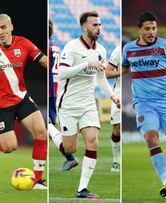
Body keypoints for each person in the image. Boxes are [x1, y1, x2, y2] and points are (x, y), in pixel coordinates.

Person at [122, 11, 166, 199]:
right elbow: (124, 67)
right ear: (139, 30)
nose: (151, 32)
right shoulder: (129, 49)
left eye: (154, 28)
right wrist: (108, 73)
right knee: (151, 138)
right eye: (147, 29)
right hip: (144, 103)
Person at [0, 14, 47, 189]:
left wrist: (59, 67)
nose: (0, 31)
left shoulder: (23, 43)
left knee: (41, 132)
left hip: (21, 99)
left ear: (11, 27)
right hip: (0, 106)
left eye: (3, 27)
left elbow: (45, 61)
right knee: (9, 147)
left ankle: (37, 180)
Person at [56, 11, 120, 198]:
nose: (98, 28)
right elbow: (62, 73)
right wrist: (86, 65)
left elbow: (100, 77)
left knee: (92, 141)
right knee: (70, 149)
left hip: (88, 105)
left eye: (100, 25)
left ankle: (82, 189)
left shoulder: (100, 50)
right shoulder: (72, 47)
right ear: (85, 27)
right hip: (68, 104)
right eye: (94, 25)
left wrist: (112, 96)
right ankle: (52, 130)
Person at [48, 19, 79, 171]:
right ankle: (69, 157)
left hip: (50, 92)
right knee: (46, 125)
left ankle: (70, 157)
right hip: (57, 89)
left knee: (46, 125)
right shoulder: (56, 46)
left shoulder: (46, 47)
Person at [105, 45, 121, 172]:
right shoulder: (119, 50)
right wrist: (122, 72)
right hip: (120, 91)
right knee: (117, 129)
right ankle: (116, 160)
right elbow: (107, 73)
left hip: (140, 91)